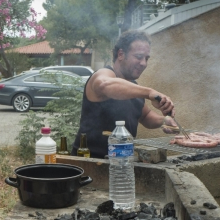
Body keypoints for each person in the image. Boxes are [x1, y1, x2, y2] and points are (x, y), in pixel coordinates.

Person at [71, 30, 178, 158]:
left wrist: (164, 120)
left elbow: (145, 116)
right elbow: (105, 84)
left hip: (122, 165)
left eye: (146, 58)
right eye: (139, 57)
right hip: (90, 165)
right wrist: (149, 92)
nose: (144, 63)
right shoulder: (104, 74)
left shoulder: (133, 87)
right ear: (121, 54)